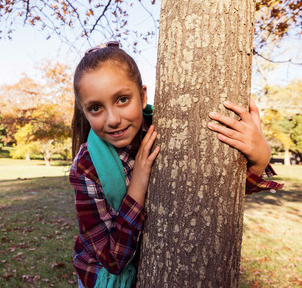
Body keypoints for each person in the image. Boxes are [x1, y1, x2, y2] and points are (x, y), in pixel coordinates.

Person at [69, 41, 283, 288]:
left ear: (143, 95)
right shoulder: (87, 166)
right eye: (95, 108)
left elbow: (216, 192)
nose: (113, 119)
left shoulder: (169, 128)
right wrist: (137, 186)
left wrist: (259, 157)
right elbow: (112, 260)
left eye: (122, 99)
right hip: (101, 279)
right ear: (85, 113)